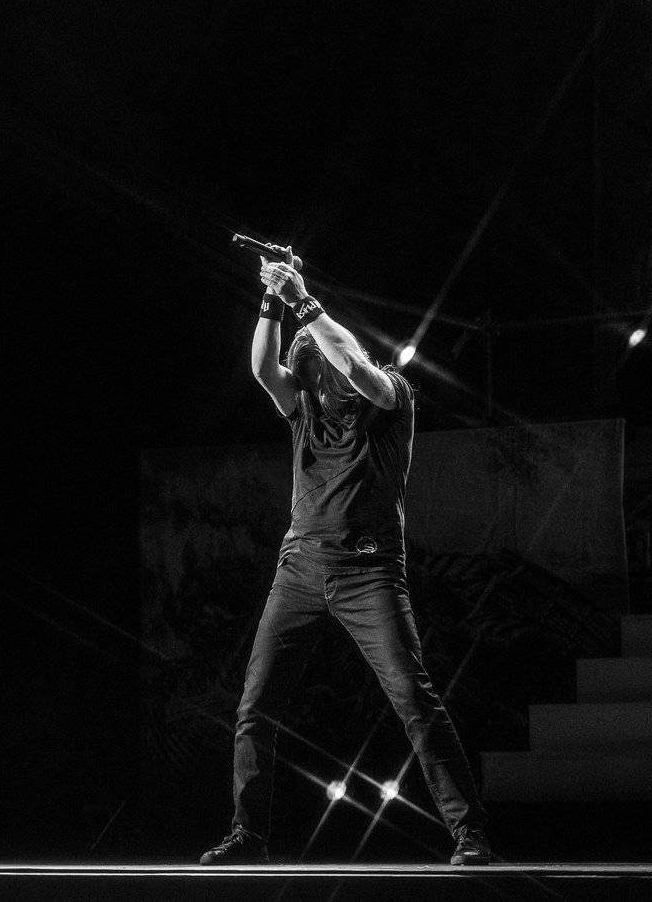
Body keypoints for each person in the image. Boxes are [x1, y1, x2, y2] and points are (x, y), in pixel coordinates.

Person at [199, 251, 491, 868]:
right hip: (300, 570)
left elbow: (356, 368)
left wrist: (304, 301)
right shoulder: (303, 409)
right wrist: (271, 300)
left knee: (414, 700)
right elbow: (262, 369)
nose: (309, 365)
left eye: (317, 356)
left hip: (369, 572)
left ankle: (469, 833)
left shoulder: (390, 397)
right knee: (254, 707)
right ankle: (249, 834)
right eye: (304, 360)